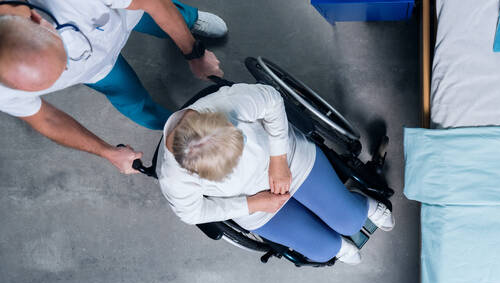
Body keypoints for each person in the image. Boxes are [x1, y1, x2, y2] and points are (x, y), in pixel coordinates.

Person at [157, 83, 395, 264]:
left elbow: (271, 99)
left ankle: (362, 203)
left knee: (351, 221)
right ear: (195, 170)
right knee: (323, 251)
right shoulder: (174, 178)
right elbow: (192, 213)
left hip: (290, 160)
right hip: (254, 206)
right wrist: (252, 203)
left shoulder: (226, 103)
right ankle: (339, 244)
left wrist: (278, 160)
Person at [0, 0, 227, 174]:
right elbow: (46, 120)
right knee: (137, 105)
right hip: (98, 70)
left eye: (63, 62)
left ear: (36, 18)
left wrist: (193, 52)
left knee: (169, 16)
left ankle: (191, 20)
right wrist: (107, 152)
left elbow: (154, 3)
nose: (67, 71)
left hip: (127, 14)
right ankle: (177, 126)